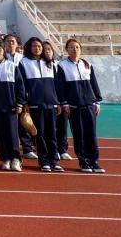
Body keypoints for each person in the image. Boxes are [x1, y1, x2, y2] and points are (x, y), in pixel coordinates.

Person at [55, 39, 104, 173]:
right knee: (79, 135)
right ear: (67, 50)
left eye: (77, 47)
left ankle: (94, 161)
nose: (74, 49)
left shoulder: (87, 64)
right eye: (71, 47)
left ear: (80, 49)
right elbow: (60, 86)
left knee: (91, 134)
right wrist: (64, 103)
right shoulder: (62, 66)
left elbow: (93, 83)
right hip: (73, 106)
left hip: (89, 105)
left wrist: (97, 101)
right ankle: (83, 162)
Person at [0, 37, 26, 171]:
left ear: (4, 49)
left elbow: (20, 86)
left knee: (12, 133)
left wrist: (20, 103)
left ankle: (16, 159)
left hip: (11, 106)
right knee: (0, 134)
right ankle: (5, 158)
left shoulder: (12, 66)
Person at [20, 37, 62, 172]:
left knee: (52, 134)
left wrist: (58, 102)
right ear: (29, 48)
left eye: (39, 46)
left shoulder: (51, 63)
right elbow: (22, 85)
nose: (37, 48)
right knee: (40, 134)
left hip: (52, 104)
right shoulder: (24, 62)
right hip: (35, 105)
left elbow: (57, 85)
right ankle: (44, 161)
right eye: (34, 46)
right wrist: (25, 102)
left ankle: (54, 161)